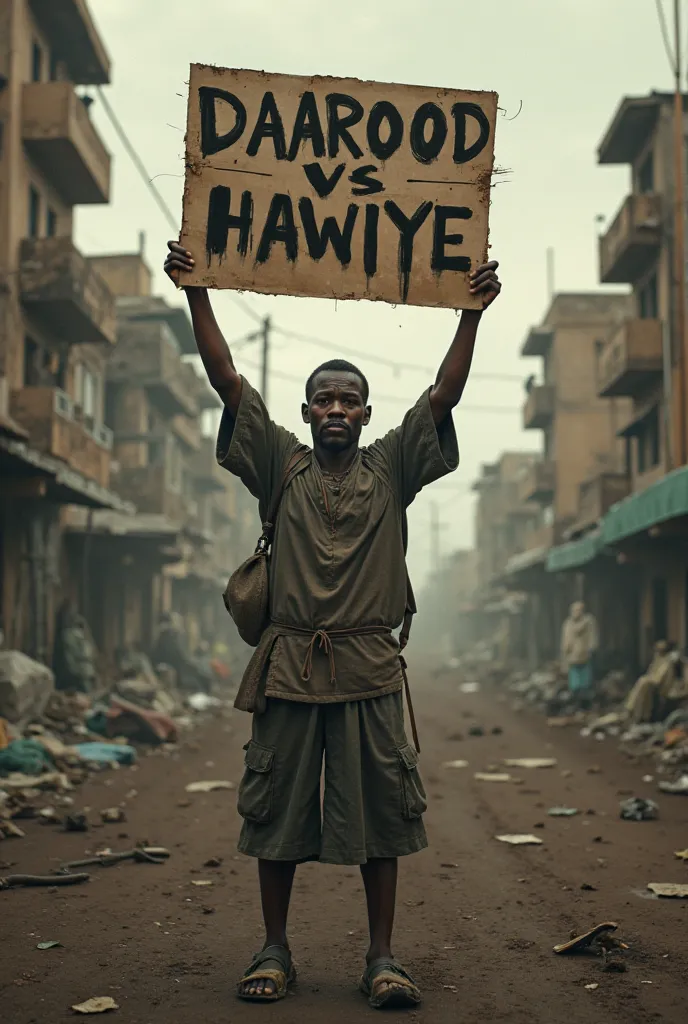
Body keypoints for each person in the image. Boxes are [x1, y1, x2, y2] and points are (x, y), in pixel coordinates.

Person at [164, 239, 501, 1008]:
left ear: (367, 414)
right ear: (308, 412)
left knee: (381, 814)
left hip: (369, 669)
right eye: (327, 400)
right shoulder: (280, 463)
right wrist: (197, 292)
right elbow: (226, 381)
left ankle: (382, 958)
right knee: (274, 811)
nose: (339, 410)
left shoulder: (392, 466)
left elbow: (443, 395)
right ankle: (274, 947)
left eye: (351, 400)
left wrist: (470, 315)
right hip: (288, 668)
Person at [561, 601, 598, 703]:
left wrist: (592, 649)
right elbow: (565, 640)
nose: (576, 612)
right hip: (573, 657)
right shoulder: (568, 624)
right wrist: (565, 652)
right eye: (575, 610)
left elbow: (592, 637)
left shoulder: (589, 621)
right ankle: (576, 699)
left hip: (584, 655)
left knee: (585, 681)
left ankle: (584, 701)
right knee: (575, 682)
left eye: (579, 610)